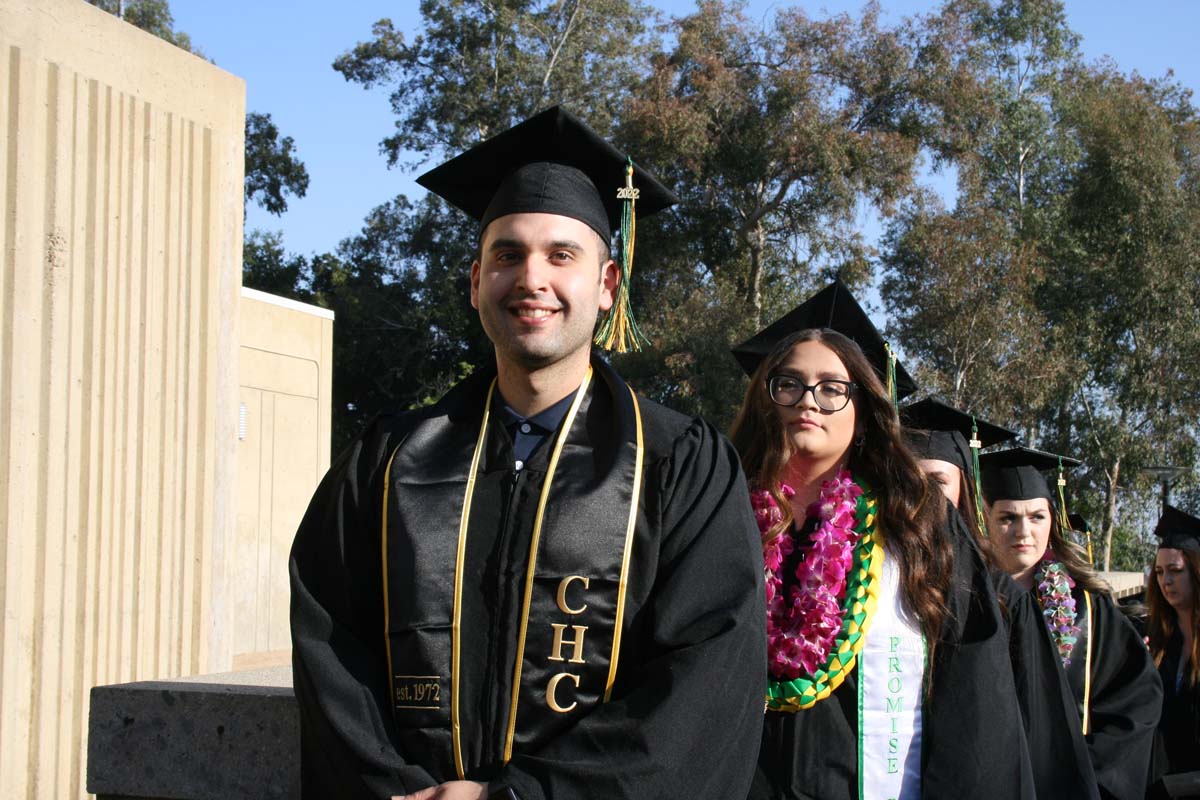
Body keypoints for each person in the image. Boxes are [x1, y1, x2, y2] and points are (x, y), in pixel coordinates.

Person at [289, 106, 767, 800]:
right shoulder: (388, 462)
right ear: (476, 280)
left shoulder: (680, 465)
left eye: (561, 256)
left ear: (607, 287)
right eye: (507, 255)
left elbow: (702, 688)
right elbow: (332, 649)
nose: (531, 279)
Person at [730, 280, 1039, 800]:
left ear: (863, 409)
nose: (809, 401)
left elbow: (971, 688)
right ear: (766, 397)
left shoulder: (916, 519)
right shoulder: (724, 509)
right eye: (789, 383)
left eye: (832, 388)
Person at [981, 447, 1162, 800]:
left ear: (1053, 521)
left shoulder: (1089, 611)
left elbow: (1137, 699)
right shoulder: (965, 601)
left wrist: (1086, 771)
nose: (1023, 531)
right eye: (1007, 518)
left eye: (1037, 517)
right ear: (984, 520)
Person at [1147, 504, 1200, 798]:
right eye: (1159, 572)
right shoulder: (1154, 639)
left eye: (1175, 571)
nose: (1165, 581)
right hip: (1160, 783)